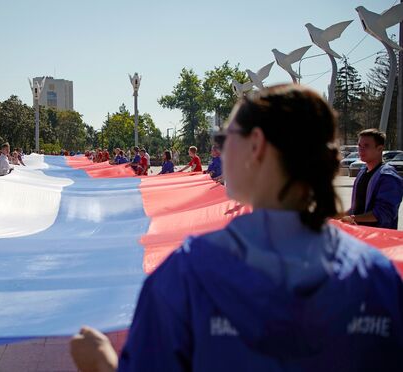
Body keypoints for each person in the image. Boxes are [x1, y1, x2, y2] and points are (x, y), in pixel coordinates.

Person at [70, 85, 403, 371]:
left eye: (223, 138)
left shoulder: (189, 276)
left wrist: (101, 362)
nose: (219, 151)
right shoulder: (377, 277)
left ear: (255, 145)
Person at [339, 129, 403, 229]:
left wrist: (353, 218)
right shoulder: (362, 172)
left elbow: (384, 213)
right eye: (359, 145)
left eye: (366, 146)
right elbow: (355, 208)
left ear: (380, 148)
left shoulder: (389, 177)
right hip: (360, 236)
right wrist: (336, 216)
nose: (361, 149)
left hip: (380, 239)